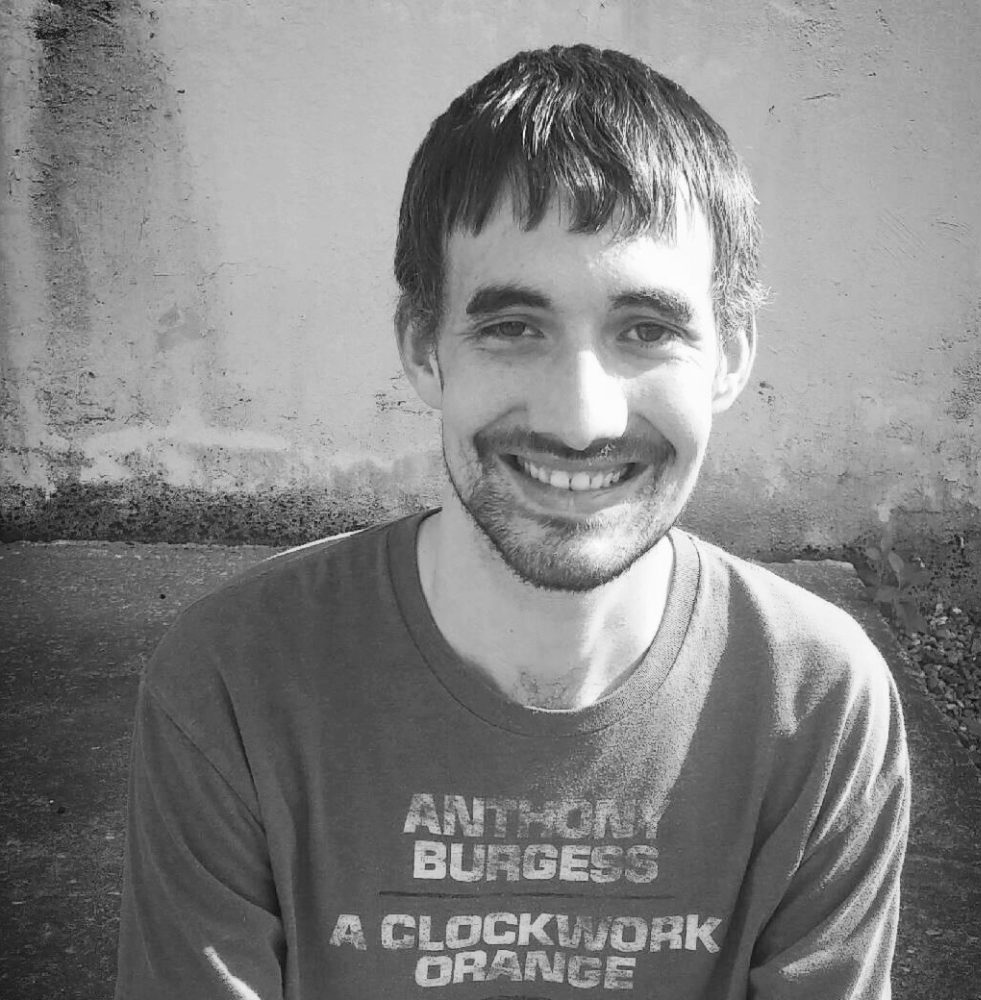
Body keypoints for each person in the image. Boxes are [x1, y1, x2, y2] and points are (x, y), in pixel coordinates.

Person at [116, 44, 910, 999]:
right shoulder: (236, 680)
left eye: (646, 330)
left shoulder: (817, 699)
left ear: (731, 355)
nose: (583, 420)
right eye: (512, 326)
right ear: (422, 348)